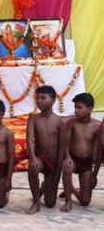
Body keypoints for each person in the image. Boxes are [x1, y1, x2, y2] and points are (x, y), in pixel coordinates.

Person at [25, 85, 64, 214]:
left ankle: (45, 186)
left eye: (43, 98)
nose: (39, 101)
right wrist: (32, 158)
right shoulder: (33, 119)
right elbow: (29, 139)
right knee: (32, 167)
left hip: (54, 161)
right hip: (40, 159)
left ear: (52, 100)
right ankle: (36, 202)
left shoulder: (60, 122)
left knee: (50, 203)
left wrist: (58, 170)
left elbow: (62, 147)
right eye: (37, 98)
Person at [60, 93, 100, 212]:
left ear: (90, 109)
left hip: (86, 163)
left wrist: (94, 174)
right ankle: (68, 201)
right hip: (73, 159)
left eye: (79, 107)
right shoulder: (71, 123)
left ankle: (72, 189)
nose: (76, 110)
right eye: (75, 107)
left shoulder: (98, 126)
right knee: (67, 168)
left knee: (85, 201)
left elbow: (99, 150)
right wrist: (67, 157)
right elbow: (65, 143)